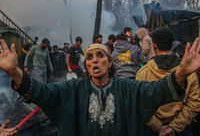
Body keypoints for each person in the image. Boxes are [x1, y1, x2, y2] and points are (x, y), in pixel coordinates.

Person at [1, 38, 200, 136]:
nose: (94, 60)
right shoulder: (73, 89)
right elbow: (41, 92)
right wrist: (14, 72)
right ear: (86, 65)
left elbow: (157, 91)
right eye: (89, 57)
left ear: (110, 62)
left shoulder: (128, 88)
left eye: (100, 55)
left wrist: (182, 72)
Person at [136, 27, 200, 136]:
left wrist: (158, 127)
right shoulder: (189, 72)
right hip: (181, 129)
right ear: (172, 45)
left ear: (154, 46)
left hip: (153, 131)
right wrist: (174, 127)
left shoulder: (142, 73)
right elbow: (194, 104)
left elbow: (140, 105)